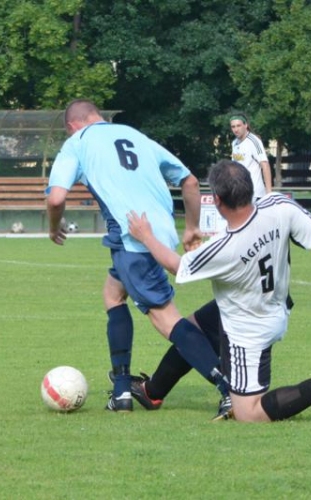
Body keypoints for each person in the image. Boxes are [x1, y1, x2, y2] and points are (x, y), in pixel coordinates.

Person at [127, 159, 311, 423]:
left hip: (249, 328)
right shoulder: (279, 205)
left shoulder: (225, 247)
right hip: (271, 302)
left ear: (218, 201)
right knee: (193, 328)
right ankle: (153, 392)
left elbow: (177, 265)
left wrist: (146, 236)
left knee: (249, 413)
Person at [46, 99, 231, 418]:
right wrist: (191, 228)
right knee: (112, 295)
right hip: (156, 233)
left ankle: (227, 388)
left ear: (72, 125)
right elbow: (188, 181)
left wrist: (54, 227)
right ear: (98, 117)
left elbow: (56, 197)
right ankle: (121, 391)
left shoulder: (76, 142)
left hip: (134, 236)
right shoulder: (134, 135)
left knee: (166, 317)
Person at [230, 113, 272, 200]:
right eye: (233, 127)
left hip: (255, 194)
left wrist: (269, 193)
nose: (236, 129)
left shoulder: (253, 141)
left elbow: (265, 165)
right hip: (240, 193)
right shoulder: (234, 143)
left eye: (238, 126)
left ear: (245, 125)